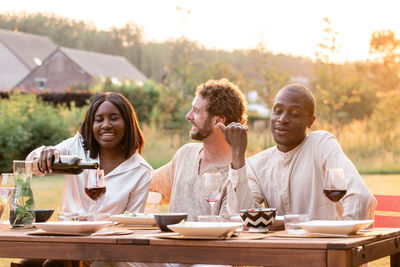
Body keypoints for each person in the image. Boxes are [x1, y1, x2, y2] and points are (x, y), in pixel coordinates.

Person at [20, 92, 152, 267]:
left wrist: (91, 248)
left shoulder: (140, 171)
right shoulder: (76, 147)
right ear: (91, 124)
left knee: (54, 264)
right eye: (99, 120)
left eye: (114, 118)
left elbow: (130, 228)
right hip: (66, 240)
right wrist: (44, 152)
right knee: (28, 263)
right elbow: (31, 166)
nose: (106, 125)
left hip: (110, 247)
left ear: (127, 123)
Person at [223, 84, 376, 220]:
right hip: (282, 250)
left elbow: (360, 198)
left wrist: (342, 241)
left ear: (310, 121)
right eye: (277, 111)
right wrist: (237, 155)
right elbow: (244, 215)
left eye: (294, 114)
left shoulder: (320, 144)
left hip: (325, 247)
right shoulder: (257, 164)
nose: (282, 119)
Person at [151, 78, 252, 222]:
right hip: (169, 243)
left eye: (196, 111)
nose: (188, 116)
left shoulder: (238, 173)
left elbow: (230, 226)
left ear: (218, 120)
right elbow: (148, 185)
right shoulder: (185, 154)